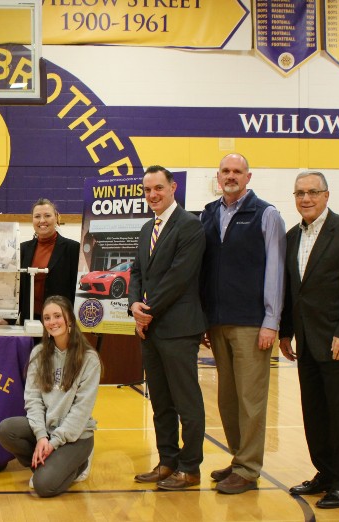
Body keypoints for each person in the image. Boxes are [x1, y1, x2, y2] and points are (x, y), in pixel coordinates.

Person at [279, 171, 339, 509]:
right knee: (315, 414)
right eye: (300, 193)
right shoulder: (292, 237)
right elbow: (294, 293)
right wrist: (286, 332)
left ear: (326, 195)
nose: (306, 199)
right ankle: (325, 474)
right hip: (307, 344)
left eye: (313, 192)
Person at [199, 153, 286, 494]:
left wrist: (271, 321)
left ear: (248, 177)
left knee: (251, 400)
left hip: (253, 323)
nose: (231, 176)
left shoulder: (267, 214)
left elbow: (276, 271)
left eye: (237, 171)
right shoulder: (209, 213)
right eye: (225, 171)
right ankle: (239, 459)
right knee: (228, 400)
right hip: (218, 322)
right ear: (217, 177)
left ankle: (249, 469)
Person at [128, 166, 207, 491]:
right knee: (160, 401)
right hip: (151, 328)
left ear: (173, 187)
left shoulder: (190, 226)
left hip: (178, 328)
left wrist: (147, 310)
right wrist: (134, 305)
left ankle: (190, 468)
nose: (152, 195)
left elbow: (179, 277)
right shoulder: (148, 227)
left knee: (186, 402)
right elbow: (136, 272)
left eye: (158, 188)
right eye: (147, 190)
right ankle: (167, 461)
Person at [0, 295, 100, 498]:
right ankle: (48, 464)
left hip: (76, 436)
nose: (52, 322)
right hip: (46, 428)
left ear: (69, 318)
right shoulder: (39, 353)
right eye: (47, 318)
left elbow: (80, 411)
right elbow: (33, 400)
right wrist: (42, 436)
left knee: (44, 486)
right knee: (6, 430)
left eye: (57, 316)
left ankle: (78, 464)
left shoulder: (89, 359)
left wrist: (54, 442)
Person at [18, 199, 80, 324]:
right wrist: (8, 319)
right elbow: (19, 288)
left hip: (60, 320)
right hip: (29, 319)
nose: (42, 221)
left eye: (47, 215)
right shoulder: (22, 249)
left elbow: (76, 288)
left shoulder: (73, 248)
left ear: (56, 217)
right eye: (37, 216)